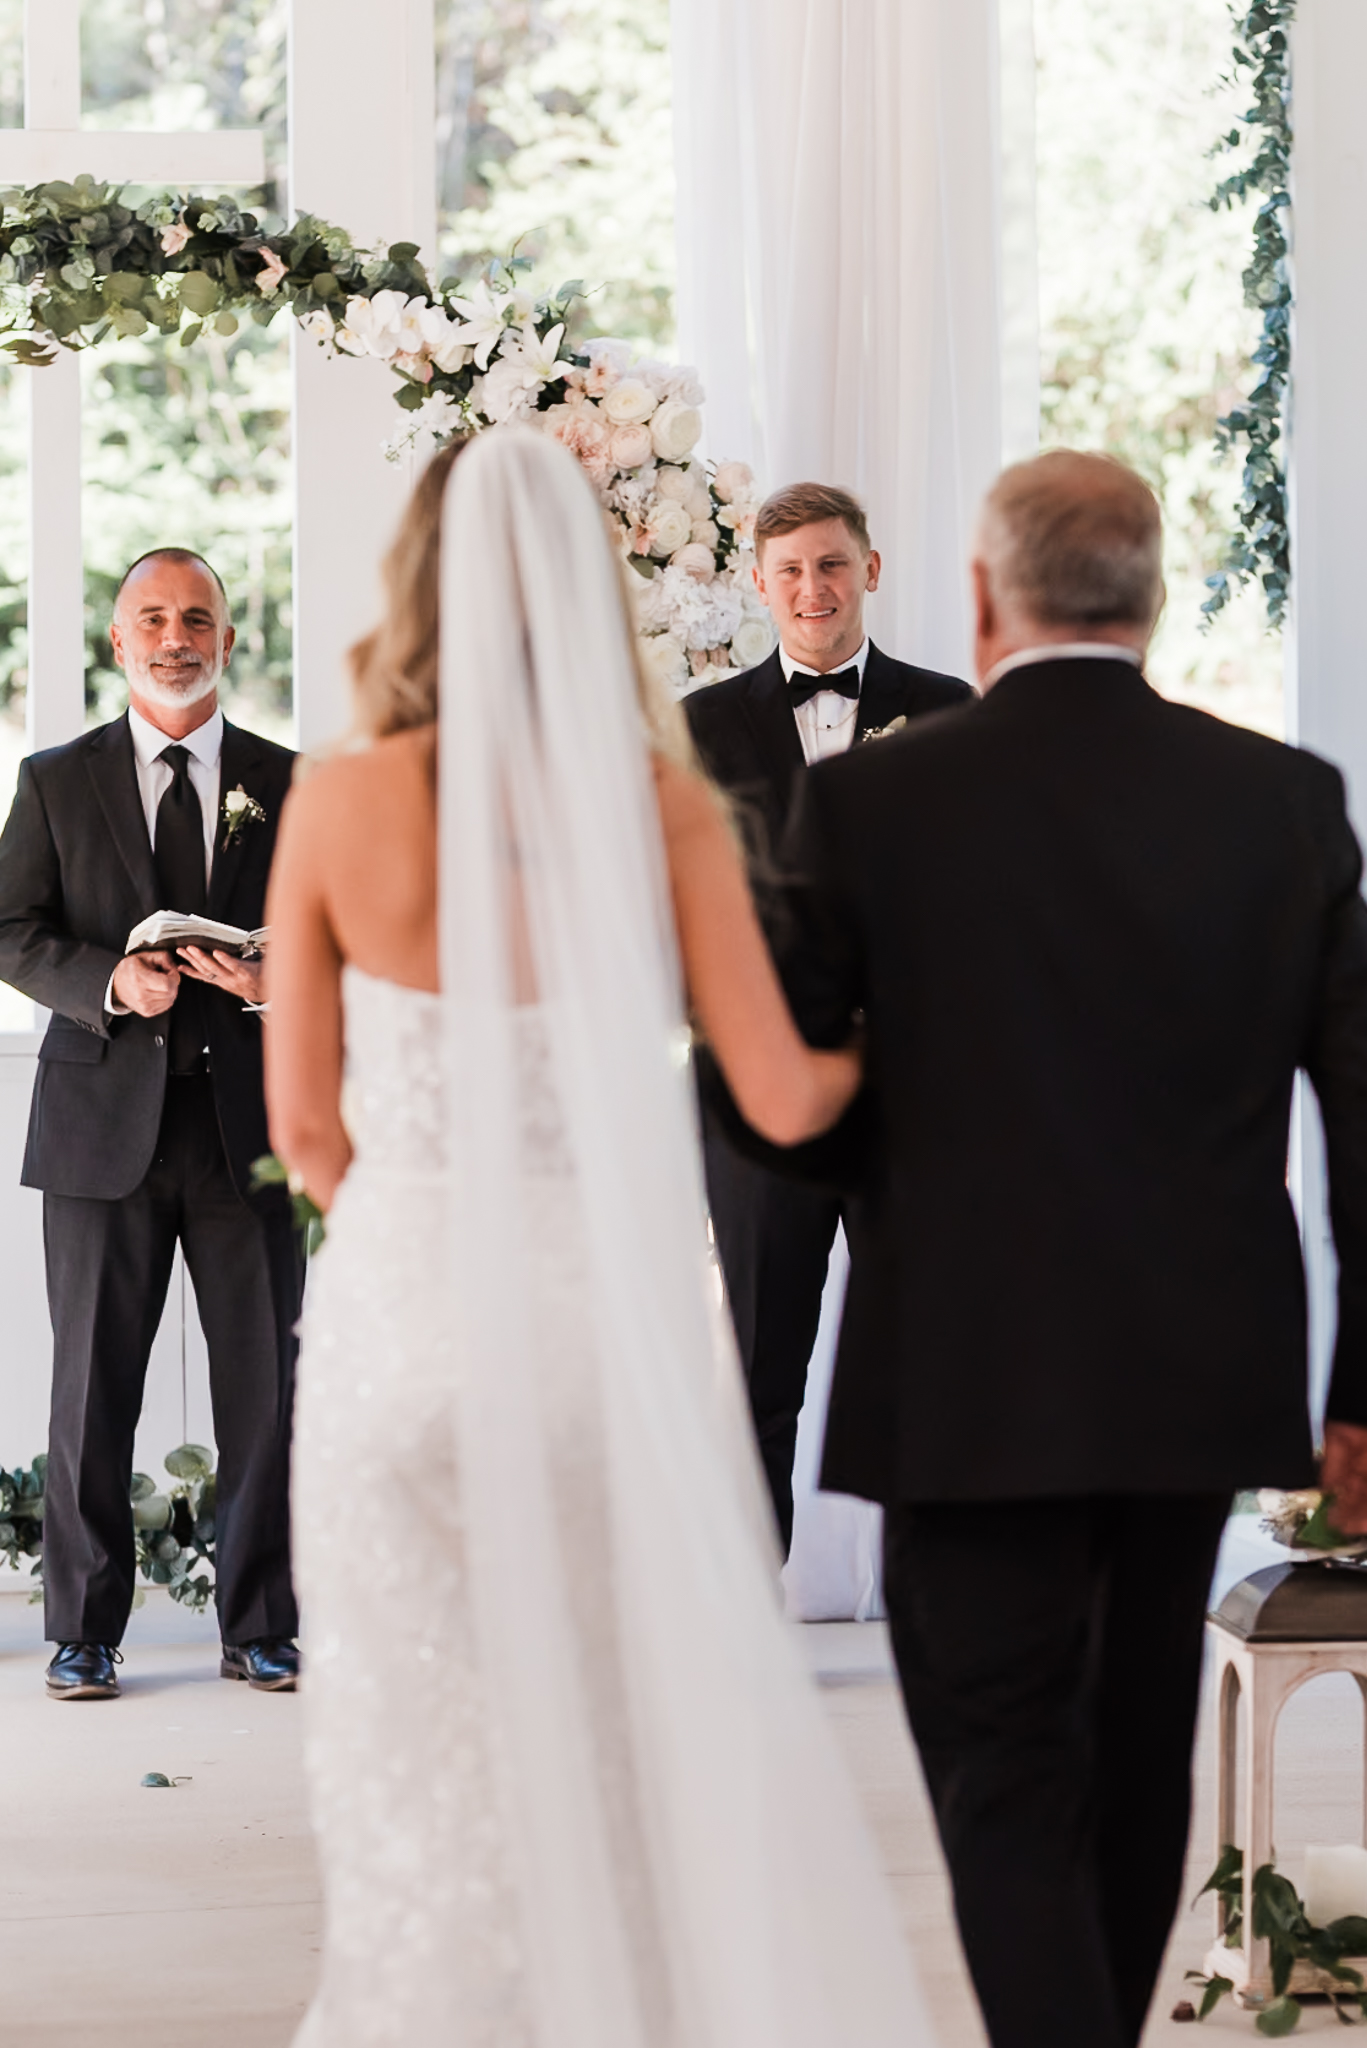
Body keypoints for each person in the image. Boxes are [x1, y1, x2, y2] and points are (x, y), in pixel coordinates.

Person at [708, 450, 1367, 2047]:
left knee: (997, 1774)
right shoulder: (1276, 801)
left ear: (978, 598)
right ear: (1152, 595)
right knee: (1128, 1763)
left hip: (961, 1374)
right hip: (1191, 1378)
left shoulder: (865, 804)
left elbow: (774, 1114)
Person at [264, 429, 938, 2048]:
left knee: (419, 1763)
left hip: (399, 1338)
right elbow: (778, 1094)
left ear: (416, 583)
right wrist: (929, 1029)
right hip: (595, 1342)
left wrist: (426, 1235)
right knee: (617, 1747)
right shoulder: (659, 802)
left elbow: (305, 1129)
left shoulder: (337, 799)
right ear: (590, 584)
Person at [0, 549, 302, 1701]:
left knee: (265, 1389)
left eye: (197, 618)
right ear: (118, 641)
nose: (175, 636)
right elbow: (7, 926)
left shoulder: (290, 780)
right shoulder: (54, 779)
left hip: (253, 1130)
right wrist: (112, 985)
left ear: (227, 638)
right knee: (90, 1390)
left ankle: (261, 1622)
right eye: (152, 618)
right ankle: (84, 1632)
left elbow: (337, 937)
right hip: (98, 1131)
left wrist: (269, 982)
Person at [684, 482, 970, 1552]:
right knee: (761, 1366)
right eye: (791, 568)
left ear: (871, 569)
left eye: (832, 563)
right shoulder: (699, 726)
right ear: (758, 582)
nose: (813, 587)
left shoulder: (949, 708)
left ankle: (943, 1604)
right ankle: (751, 1622)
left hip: (914, 1093)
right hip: (758, 1090)